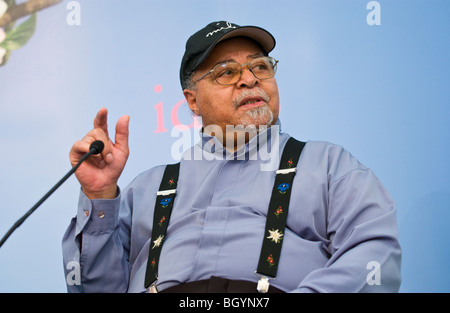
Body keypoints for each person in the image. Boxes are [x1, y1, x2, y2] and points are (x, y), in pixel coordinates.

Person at [62, 21, 401, 293]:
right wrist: (99, 196)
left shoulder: (329, 165)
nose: (250, 79)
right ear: (192, 101)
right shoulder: (148, 188)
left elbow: (373, 257)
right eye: (226, 72)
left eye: (261, 66)